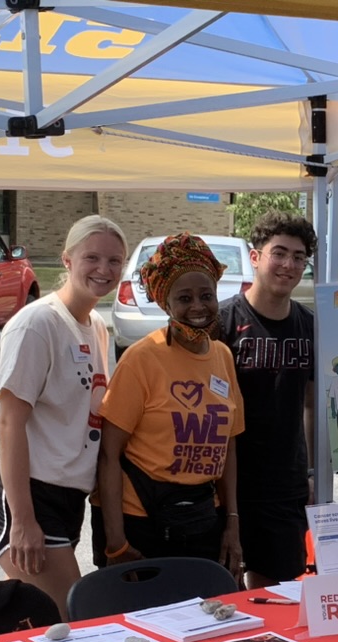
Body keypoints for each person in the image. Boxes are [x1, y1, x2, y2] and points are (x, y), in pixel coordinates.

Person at [0, 215, 126, 620]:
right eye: (91, 257)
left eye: (114, 260)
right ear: (66, 259)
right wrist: (23, 520)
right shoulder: (36, 324)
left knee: (53, 622)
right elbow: (10, 422)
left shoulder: (96, 326)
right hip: (27, 493)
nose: (103, 269)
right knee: (70, 619)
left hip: (67, 496)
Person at [92, 233, 245, 578]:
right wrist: (115, 542)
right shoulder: (141, 359)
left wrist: (232, 522)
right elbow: (109, 455)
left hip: (202, 519)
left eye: (206, 296)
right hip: (140, 523)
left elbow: (229, 446)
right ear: (166, 303)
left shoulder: (222, 357)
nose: (197, 306)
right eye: (184, 297)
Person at [217, 211, 316, 589]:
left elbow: (310, 404)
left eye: (298, 257)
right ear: (256, 257)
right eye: (279, 253)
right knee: (222, 591)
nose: (288, 264)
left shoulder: (309, 325)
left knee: (273, 594)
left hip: (283, 483)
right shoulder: (222, 321)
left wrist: (308, 474)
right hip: (226, 483)